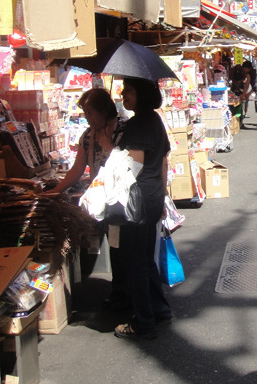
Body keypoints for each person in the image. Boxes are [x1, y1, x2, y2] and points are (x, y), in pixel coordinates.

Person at [50, 88, 129, 310]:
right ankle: (119, 290)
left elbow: (129, 164)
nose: (86, 117)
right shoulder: (87, 135)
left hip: (122, 199)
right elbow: (78, 167)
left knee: (124, 246)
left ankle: (127, 290)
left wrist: (107, 144)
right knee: (114, 244)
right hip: (102, 200)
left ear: (104, 111)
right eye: (84, 112)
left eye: (90, 112)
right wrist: (57, 190)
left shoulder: (125, 129)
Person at [114, 78, 173, 340]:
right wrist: (162, 196)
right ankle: (159, 309)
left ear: (142, 94)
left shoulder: (138, 124)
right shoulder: (155, 121)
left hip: (137, 198)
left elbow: (133, 168)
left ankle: (144, 322)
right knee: (146, 257)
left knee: (136, 261)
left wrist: (109, 148)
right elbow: (163, 162)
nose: (123, 93)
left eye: (128, 90)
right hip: (152, 195)